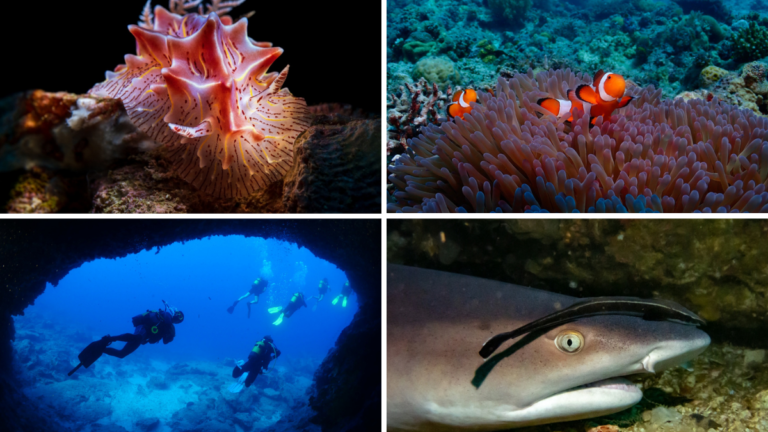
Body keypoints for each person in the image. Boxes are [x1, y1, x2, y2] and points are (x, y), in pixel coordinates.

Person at [69, 301, 183, 374]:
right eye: (178, 318)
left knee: (121, 354)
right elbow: (167, 319)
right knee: (137, 337)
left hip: (145, 336)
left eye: (179, 321)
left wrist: (170, 334)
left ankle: (101, 348)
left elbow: (165, 342)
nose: (177, 321)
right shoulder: (168, 313)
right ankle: (109, 339)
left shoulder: (170, 326)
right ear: (176, 315)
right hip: (144, 327)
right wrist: (170, 327)